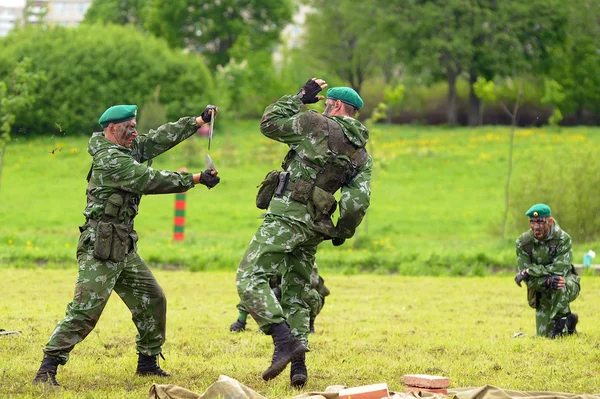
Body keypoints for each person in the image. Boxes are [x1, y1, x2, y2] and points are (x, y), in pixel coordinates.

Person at [33, 104, 221, 386]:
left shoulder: (126, 147)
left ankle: (147, 362)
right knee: (85, 311)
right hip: (100, 247)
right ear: (111, 130)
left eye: (134, 125)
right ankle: (47, 369)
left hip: (122, 244)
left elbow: (157, 139)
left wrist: (197, 121)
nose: (134, 131)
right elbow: (147, 179)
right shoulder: (112, 159)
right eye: (128, 128)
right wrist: (195, 179)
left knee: (153, 298)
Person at [236, 78, 372, 388]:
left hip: (286, 216)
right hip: (315, 226)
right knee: (295, 292)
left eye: (326, 102)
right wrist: (342, 231)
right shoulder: (361, 153)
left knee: (248, 278)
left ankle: (283, 340)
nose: (323, 106)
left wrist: (299, 97)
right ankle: (299, 367)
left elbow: (269, 123)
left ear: (335, 106)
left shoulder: (315, 123)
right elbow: (357, 201)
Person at [514, 203, 580, 338]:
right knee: (543, 336)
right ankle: (569, 322)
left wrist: (530, 271)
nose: (535, 227)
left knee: (558, 282)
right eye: (532, 222)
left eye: (539, 222)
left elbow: (559, 270)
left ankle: (562, 324)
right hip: (542, 288)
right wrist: (546, 281)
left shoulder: (563, 239)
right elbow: (528, 281)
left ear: (549, 221)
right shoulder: (523, 243)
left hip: (567, 283)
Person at [230, 264, 330, 334]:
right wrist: (241, 320)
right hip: (281, 297)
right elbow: (254, 285)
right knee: (257, 289)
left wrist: (279, 289)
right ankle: (267, 325)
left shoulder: (304, 253)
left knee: (311, 295)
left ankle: (309, 324)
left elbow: (311, 281)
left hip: (299, 295)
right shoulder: (271, 258)